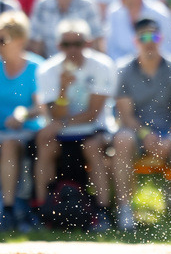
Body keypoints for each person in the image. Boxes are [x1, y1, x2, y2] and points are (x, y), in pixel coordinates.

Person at [111, 17, 171, 231]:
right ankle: (124, 207)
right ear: (135, 41)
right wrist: (145, 135)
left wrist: (170, 139)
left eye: (154, 36)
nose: (149, 41)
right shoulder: (123, 70)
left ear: (161, 39)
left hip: (170, 135)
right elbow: (125, 115)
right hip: (136, 135)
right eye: (143, 37)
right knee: (122, 140)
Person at [33, 19, 115, 226]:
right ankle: (42, 210)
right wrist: (63, 89)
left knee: (92, 147)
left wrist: (61, 123)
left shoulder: (102, 66)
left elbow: (93, 114)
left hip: (94, 130)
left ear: (88, 43)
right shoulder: (48, 70)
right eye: (66, 44)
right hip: (63, 133)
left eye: (77, 44)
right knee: (45, 145)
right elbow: (54, 114)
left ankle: (103, 211)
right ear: (58, 45)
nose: (72, 50)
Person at [0, 11, 43, 230]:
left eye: (2, 40)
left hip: (25, 133)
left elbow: (41, 108)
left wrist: (23, 114)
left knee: (9, 146)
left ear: (19, 40)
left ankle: (8, 211)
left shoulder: (36, 67)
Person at [27, 0, 102, 57]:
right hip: (50, 60)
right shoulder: (43, 5)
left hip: (82, 60)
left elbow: (96, 38)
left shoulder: (86, 4)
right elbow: (36, 40)